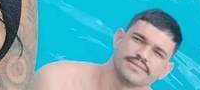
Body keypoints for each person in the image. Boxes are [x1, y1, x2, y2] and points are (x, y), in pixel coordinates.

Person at [32, 8, 182, 89]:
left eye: (158, 53)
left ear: (165, 70)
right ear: (119, 38)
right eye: (138, 39)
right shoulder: (57, 81)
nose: (143, 54)